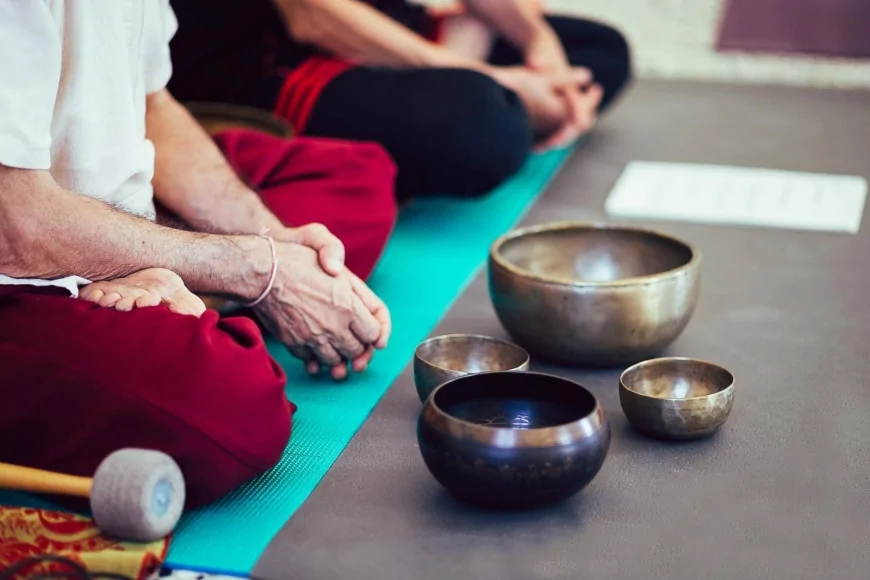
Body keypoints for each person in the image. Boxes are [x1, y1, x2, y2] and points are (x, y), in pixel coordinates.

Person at [0, 1, 395, 509]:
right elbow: (17, 226)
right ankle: (191, 297)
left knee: (357, 179)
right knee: (235, 404)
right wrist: (253, 270)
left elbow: (152, 108)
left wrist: (275, 245)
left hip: (100, 219)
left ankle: (179, 289)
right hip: (21, 269)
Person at [166, 0, 632, 202]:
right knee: (483, 129)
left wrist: (539, 49)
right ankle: (499, 105)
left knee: (602, 52)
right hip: (263, 58)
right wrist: (493, 79)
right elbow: (313, 17)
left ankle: (495, 98)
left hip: (378, 27)